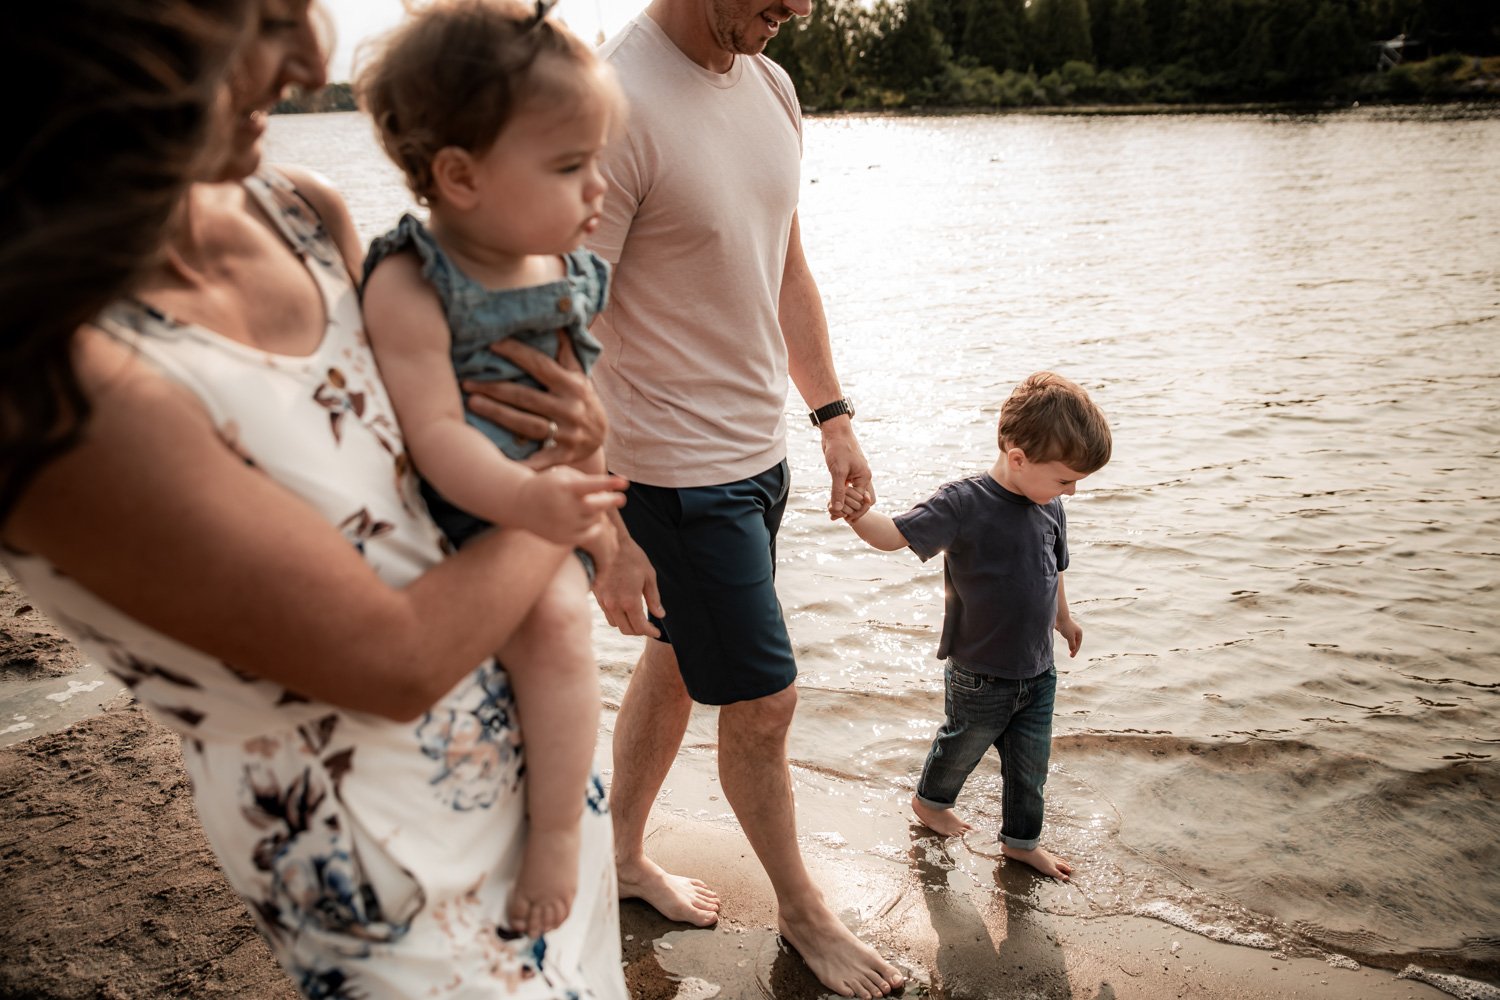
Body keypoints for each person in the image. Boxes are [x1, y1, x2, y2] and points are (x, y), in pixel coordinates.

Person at [0, 0, 630, 996]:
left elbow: (435, 441)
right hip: (374, 845)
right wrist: (560, 494)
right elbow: (393, 660)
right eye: (263, 19)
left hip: (533, 765)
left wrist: (570, 431)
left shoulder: (296, 208)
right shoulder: (50, 377)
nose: (309, 59)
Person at [586, 2, 903, 997]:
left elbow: (784, 262)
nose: (798, 10)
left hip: (756, 455)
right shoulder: (614, 106)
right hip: (671, 472)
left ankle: (623, 855)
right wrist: (602, 524)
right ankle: (807, 914)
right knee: (765, 700)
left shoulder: (769, 84)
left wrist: (833, 415)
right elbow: (564, 327)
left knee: (679, 656)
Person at [356, 0, 625, 939]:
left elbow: (581, 398)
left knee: (559, 616)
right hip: (474, 512)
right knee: (553, 621)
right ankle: (556, 833)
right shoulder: (412, 279)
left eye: (596, 160)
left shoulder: (555, 259)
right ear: (459, 176)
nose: (597, 189)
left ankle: (564, 823)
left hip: (551, 503)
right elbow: (434, 431)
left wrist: (598, 516)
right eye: (568, 166)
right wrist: (534, 501)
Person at [844, 372, 1113, 881]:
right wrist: (860, 516)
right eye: (1065, 479)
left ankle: (1021, 842)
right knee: (961, 744)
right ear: (1018, 459)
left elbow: (1053, 570)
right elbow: (894, 535)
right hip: (981, 672)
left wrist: (1064, 618)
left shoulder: (1048, 504)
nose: (1072, 491)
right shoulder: (965, 503)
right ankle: (931, 803)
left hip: (1038, 670)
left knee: (1030, 766)